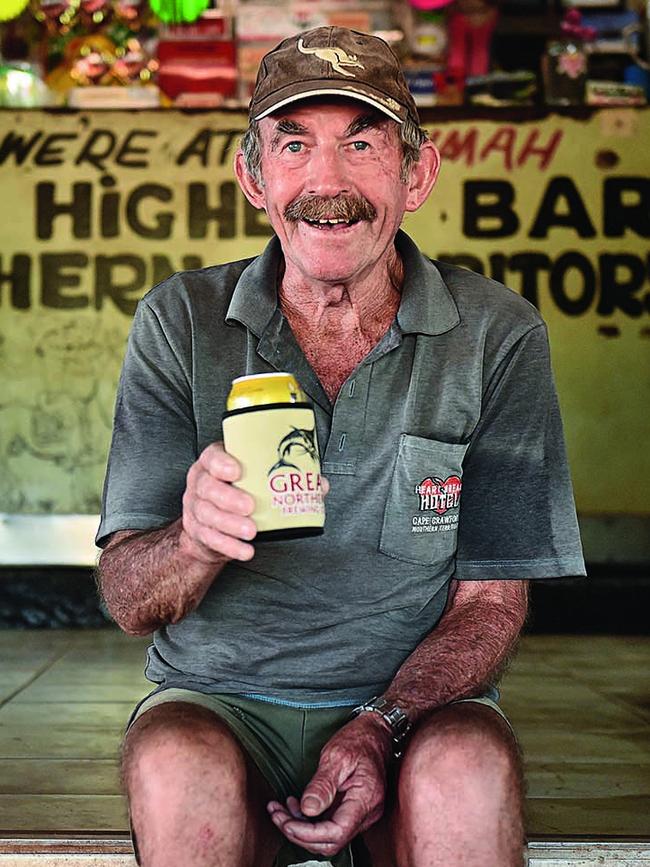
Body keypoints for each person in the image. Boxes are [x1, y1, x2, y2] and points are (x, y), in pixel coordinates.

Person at [96, 26, 586, 867]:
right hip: (220, 704)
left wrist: (382, 723)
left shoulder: (496, 335)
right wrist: (194, 543)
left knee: (467, 770)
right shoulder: (180, 322)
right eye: (295, 144)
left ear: (416, 174)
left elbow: (491, 606)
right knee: (174, 763)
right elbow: (128, 596)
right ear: (255, 177)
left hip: (417, 710)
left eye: (362, 143)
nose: (328, 184)